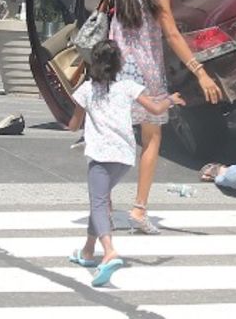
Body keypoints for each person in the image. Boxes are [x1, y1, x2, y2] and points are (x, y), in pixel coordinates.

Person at [108, 0, 222, 234]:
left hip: (117, 71)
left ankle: (103, 206)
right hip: (146, 73)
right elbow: (171, 34)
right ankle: (139, 210)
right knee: (151, 140)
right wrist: (200, 71)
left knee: (115, 140)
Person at [65, 39, 184, 287]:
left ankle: (108, 252)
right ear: (119, 64)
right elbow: (155, 108)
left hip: (100, 156)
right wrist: (171, 99)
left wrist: (76, 119)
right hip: (125, 157)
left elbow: (73, 126)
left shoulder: (87, 90)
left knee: (99, 204)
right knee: (99, 200)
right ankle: (88, 251)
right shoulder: (129, 87)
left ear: (93, 63)